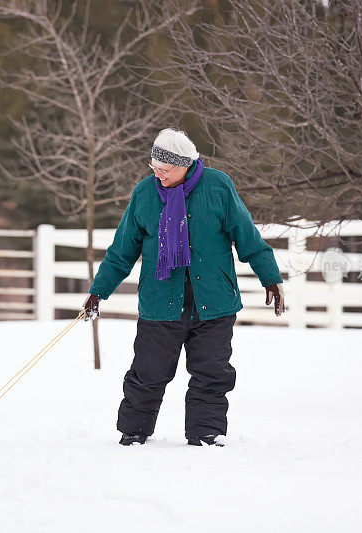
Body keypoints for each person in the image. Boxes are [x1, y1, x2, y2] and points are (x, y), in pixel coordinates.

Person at [83, 128, 286, 447]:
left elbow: (247, 237)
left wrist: (271, 278)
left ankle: (205, 432)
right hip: (161, 301)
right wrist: (99, 290)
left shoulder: (218, 186)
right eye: (155, 168)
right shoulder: (145, 193)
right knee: (147, 371)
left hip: (214, 302)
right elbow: (123, 250)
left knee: (212, 372)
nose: (158, 175)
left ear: (187, 165)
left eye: (165, 169)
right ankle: (134, 430)